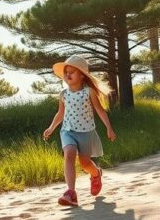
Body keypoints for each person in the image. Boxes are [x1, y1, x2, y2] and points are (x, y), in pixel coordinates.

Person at [42, 55, 117, 207]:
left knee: (85, 164)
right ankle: (71, 193)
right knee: (69, 154)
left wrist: (109, 128)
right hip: (67, 131)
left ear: (82, 75)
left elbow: (100, 111)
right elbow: (61, 113)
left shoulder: (88, 92)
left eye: (72, 72)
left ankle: (96, 173)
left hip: (86, 133)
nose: (67, 75)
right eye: (66, 72)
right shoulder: (63, 94)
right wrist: (51, 127)